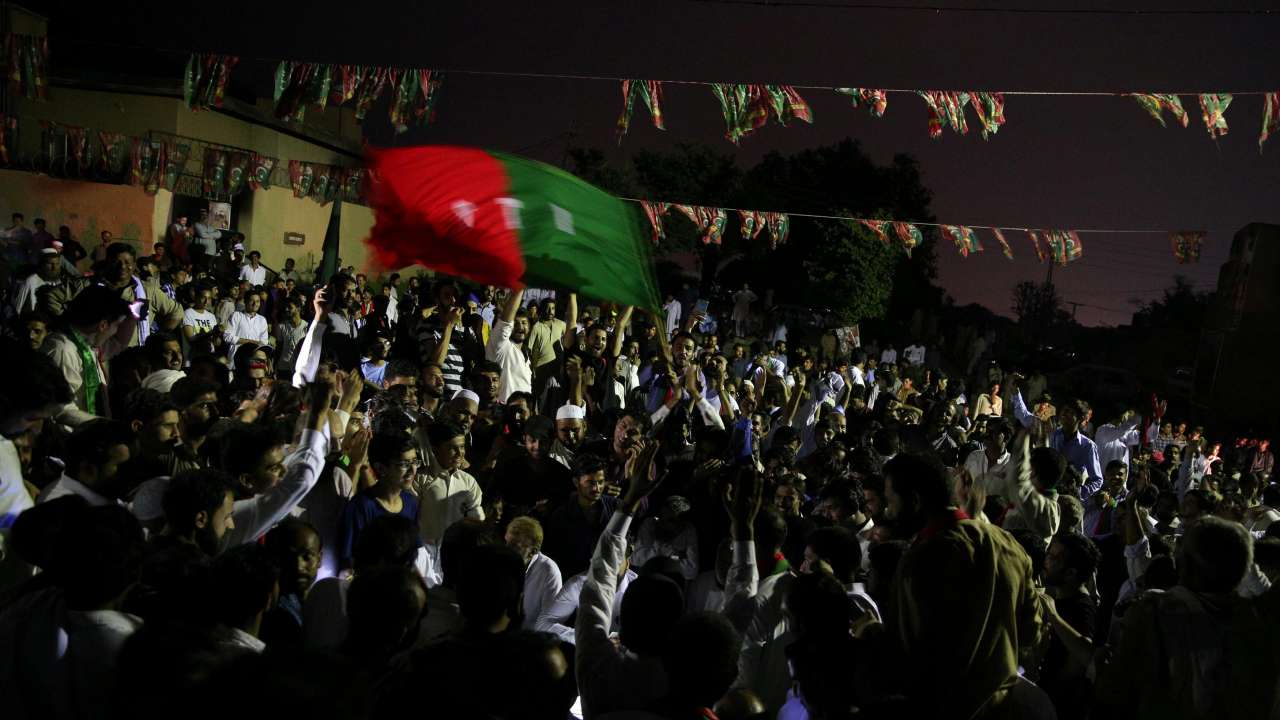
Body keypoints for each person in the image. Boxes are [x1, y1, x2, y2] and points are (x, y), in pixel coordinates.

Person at [886, 452, 1049, 719]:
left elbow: (907, 655)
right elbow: (1032, 631)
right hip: (1002, 705)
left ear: (914, 502)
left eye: (891, 501)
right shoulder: (1006, 544)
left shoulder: (921, 559)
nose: (888, 511)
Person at [43, 285, 133, 416]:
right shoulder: (62, 350)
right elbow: (61, 408)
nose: (116, 331)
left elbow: (118, 344)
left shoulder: (87, 347)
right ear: (103, 325)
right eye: (116, 325)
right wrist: (100, 426)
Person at [337, 431, 421, 573]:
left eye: (414, 462)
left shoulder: (410, 503)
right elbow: (349, 560)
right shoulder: (362, 506)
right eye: (403, 464)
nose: (412, 470)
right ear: (381, 468)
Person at [415, 421, 484, 584]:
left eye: (462, 447)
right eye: (452, 448)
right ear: (435, 449)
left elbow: (477, 523)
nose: (460, 453)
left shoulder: (468, 483)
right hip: (424, 557)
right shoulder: (421, 479)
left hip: (456, 560)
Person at [36, 419, 134, 506]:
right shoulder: (58, 512)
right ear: (88, 470)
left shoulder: (102, 494)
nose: (131, 473)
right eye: (122, 467)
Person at [504, 515, 563, 630]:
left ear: (533, 551)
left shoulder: (549, 572)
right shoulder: (499, 561)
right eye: (506, 543)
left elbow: (550, 622)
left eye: (515, 546)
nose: (507, 551)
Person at [486, 287, 533, 402]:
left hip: (524, 413)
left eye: (524, 323)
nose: (520, 327)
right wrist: (520, 287)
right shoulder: (501, 346)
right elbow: (505, 322)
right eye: (516, 323)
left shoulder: (527, 354)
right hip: (504, 413)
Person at [12, 247, 62, 315]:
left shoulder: (59, 282)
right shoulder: (31, 281)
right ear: (42, 264)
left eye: (57, 264)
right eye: (50, 264)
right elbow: (17, 309)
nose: (54, 267)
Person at [223, 289, 270, 361]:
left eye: (257, 301)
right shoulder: (236, 315)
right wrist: (250, 342)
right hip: (235, 360)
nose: (255, 304)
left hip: (253, 360)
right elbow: (227, 336)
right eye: (252, 301)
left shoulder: (262, 320)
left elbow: (264, 342)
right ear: (245, 301)